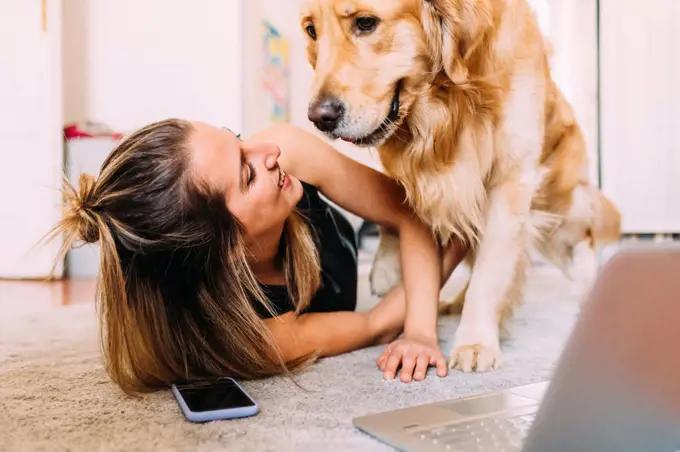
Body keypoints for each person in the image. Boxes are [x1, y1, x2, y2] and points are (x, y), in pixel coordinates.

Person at [46, 119, 467, 395]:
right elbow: (375, 326)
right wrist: (464, 240)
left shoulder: (285, 150)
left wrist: (422, 330)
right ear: (228, 248)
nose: (267, 152)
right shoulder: (255, 334)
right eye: (247, 175)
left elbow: (413, 212)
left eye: (238, 139)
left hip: (340, 235)